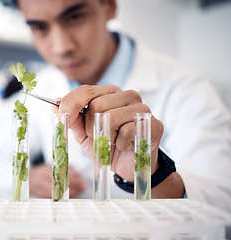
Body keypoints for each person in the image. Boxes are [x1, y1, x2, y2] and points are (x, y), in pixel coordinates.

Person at [12, 0, 231, 212]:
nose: (62, 48)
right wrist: (28, 175)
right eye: (40, 27)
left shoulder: (185, 88)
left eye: (75, 17)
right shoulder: (43, 85)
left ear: (109, 6)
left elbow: (222, 203)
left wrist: (150, 174)